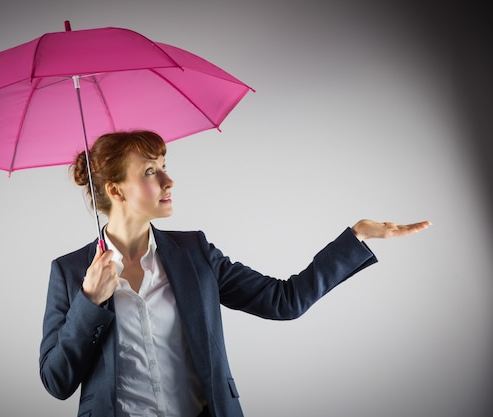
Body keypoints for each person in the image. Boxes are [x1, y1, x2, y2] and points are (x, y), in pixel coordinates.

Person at [39, 130, 431, 417]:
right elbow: (57, 381)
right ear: (116, 190)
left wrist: (356, 237)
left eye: (164, 167)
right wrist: (89, 301)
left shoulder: (194, 253)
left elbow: (284, 301)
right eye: (149, 172)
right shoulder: (71, 271)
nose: (168, 180)